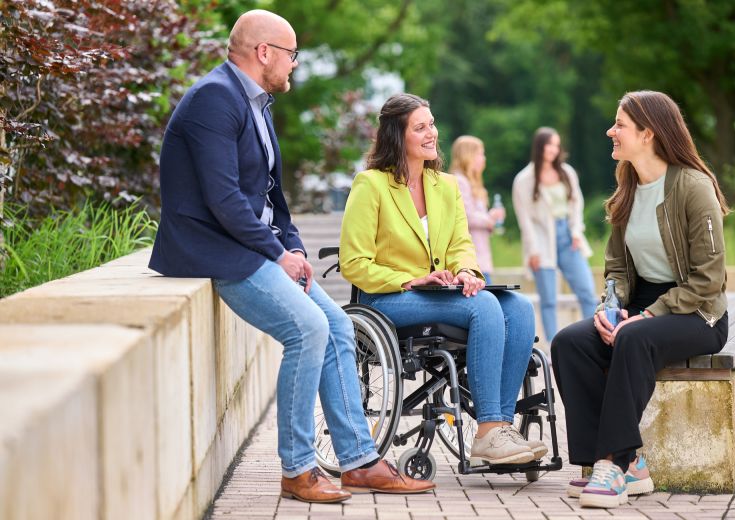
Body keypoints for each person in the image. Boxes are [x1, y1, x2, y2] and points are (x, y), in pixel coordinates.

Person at [148, 10, 434, 503]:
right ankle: (298, 470)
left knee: (339, 326)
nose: (295, 65)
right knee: (308, 329)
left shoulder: (256, 104)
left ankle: (359, 461)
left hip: (253, 248)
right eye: (291, 54)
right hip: (217, 252)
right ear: (264, 53)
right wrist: (276, 252)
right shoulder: (214, 99)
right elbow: (223, 199)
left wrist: (294, 245)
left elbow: (272, 195)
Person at [339, 93, 547, 466]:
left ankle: (499, 426)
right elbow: (353, 263)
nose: (431, 132)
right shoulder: (371, 185)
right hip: (386, 299)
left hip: (436, 294)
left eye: (432, 124)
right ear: (396, 136)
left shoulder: (446, 186)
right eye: (420, 127)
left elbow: (461, 245)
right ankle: (488, 430)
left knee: (518, 307)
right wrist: (410, 280)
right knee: (483, 307)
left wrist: (467, 271)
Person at [551, 90, 730, 509]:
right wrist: (609, 310)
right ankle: (619, 465)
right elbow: (616, 269)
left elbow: (709, 280)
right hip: (643, 306)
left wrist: (648, 315)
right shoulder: (628, 188)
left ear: (647, 133)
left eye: (620, 125)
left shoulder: (692, 187)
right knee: (569, 342)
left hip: (696, 311)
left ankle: (615, 463)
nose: (610, 131)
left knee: (634, 338)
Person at [512, 127, 597, 346]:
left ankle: (592, 341)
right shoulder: (524, 179)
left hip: (569, 238)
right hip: (542, 243)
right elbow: (525, 221)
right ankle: (552, 346)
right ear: (539, 147)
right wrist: (533, 250)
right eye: (549, 144)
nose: (553, 149)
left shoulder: (566, 172)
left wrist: (577, 231)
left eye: (557, 145)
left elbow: (577, 203)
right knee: (548, 299)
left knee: (587, 291)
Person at [450, 136, 505, 284]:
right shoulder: (459, 181)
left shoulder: (472, 182)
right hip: (472, 260)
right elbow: (467, 216)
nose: (483, 158)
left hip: (481, 257)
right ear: (468, 156)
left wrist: (490, 217)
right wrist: (491, 218)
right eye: (480, 154)